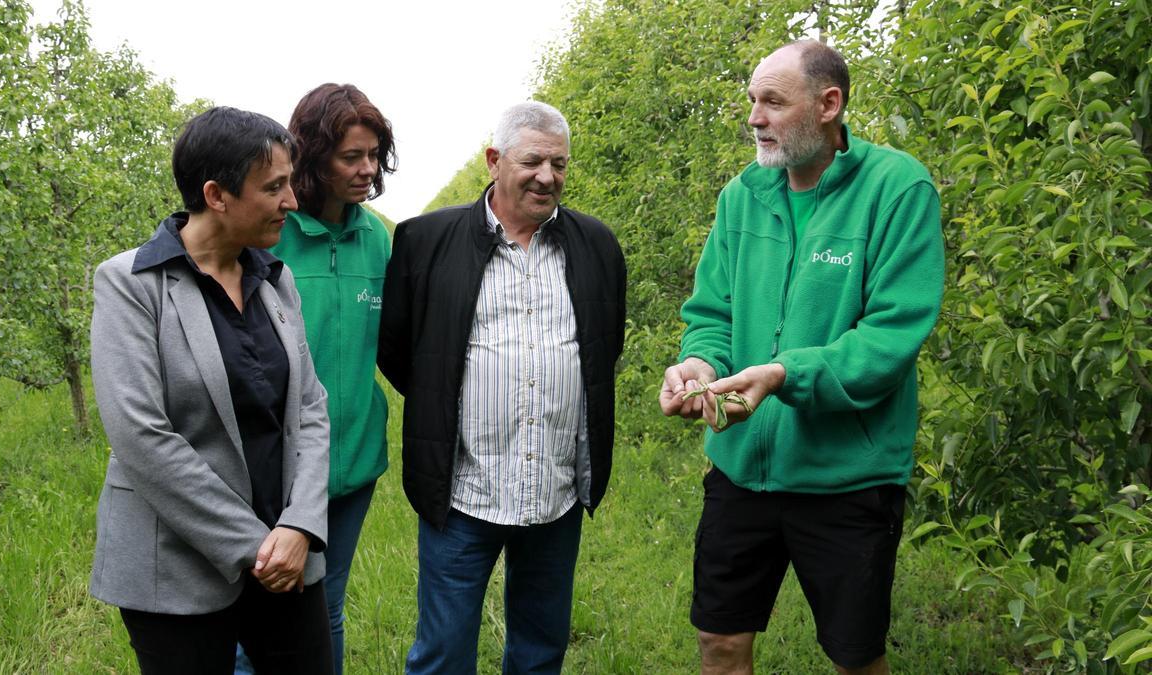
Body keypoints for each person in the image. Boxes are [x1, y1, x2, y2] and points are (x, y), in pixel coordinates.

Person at [659, 40, 944, 674]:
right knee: (721, 641)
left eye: (772, 102)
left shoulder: (897, 188)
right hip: (740, 468)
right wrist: (699, 368)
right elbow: (712, 314)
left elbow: (892, 333)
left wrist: (786, 374)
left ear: (829, 104)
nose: (754, 118)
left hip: (848, 479)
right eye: (752, 102)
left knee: (855, 657)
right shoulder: (743, 195)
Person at [377, 101, 626, 674]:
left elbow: (602, 346)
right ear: (494, 161)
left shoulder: (595, 245)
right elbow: (399, 350)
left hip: (555, 489)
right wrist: (444, 402)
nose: (547, 176)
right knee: (442, 652)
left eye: (559, 164)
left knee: (541, 649)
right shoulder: (425, 240)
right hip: (464, 490)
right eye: (533, 160)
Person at [89, 106, 332, 675]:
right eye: (274, 187)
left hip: (288, 549)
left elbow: (311, 407)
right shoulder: (131, 285)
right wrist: (258, 548)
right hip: (176, 564)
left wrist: (300, 525)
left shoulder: (276, 279)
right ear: (216, 195)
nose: (292, 201)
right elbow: (141, 436)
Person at [234, 83, 396, 675]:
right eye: (351, 156)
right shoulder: (269, 235)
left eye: (374, 155)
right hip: (272, 469)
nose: (367, 169)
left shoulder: (377, 236)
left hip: (351, 461)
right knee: (256, 619)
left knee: (326, 606)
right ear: (312, 155)